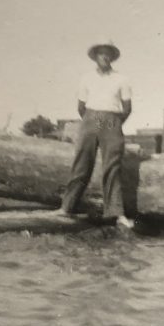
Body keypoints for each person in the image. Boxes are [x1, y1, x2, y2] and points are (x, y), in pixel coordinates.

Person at [56, 41, 134, 228]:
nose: (104, 57)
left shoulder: (121, 79)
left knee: (112, 166)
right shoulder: (86, 78)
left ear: (112, 58)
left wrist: (113, 124)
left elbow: (127, 108)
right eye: (101, 54)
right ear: (96, 57)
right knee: (81, 163)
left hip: (112, 119)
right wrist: (92, 121)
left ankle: (116, 214)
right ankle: (67, 207)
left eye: (108, 54)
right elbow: (81, 107)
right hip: (91, 117)